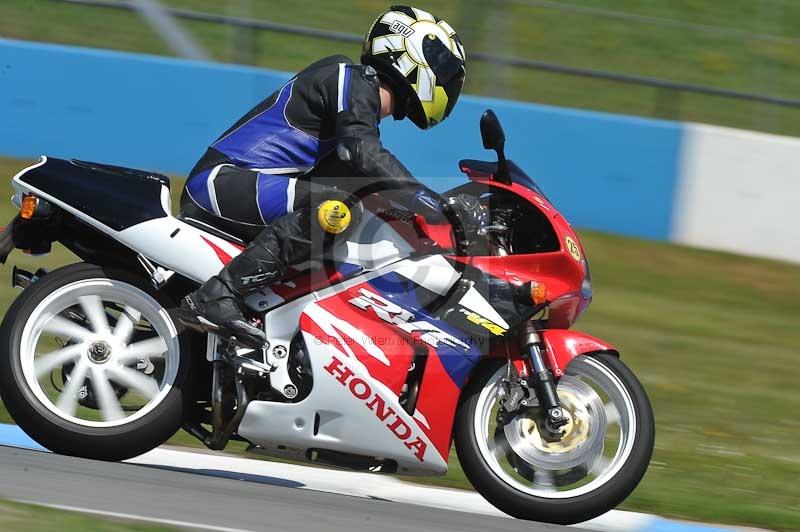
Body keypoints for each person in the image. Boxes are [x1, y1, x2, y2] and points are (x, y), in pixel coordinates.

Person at [178, 6, 467, 348]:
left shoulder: (355, 110)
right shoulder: (348, 77)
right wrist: (430, 202)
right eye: (443, 67)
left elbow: (368, 172)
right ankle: (219, 294)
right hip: (222, 181)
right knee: (337, 209)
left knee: (361, 210)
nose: (448, 82)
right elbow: (362, 153)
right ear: (408, 53)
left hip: (244, 186)